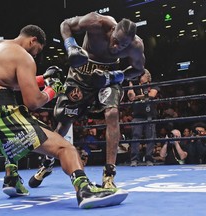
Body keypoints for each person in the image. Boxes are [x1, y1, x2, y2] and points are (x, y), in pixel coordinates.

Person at [0, 24, 127, 209]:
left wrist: (43, 78)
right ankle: (84, 189)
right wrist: (51, 90)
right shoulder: (24, 56)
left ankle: (11, 177)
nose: (37, 55)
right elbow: (33, 102)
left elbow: (8, 80)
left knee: (13, 139)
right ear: (33, 40)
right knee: (65, 148)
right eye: (38, 50)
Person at [29, 12, 145, 190]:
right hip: (79, 77)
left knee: (112, 112)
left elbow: (138, 70)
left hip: (106, 79)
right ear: (113, 29)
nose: (116, 47)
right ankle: (48, 162)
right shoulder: (96, 22)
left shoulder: (136, 46)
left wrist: (115, 76)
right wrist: (71, 47)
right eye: (115, 40)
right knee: (64, 121)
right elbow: (65, 24)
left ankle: (109, 175)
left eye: (122, 45)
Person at [127, 69, 160, 166]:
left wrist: (138, 97)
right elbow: (131, 96)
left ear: (147, 76)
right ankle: (134, 159)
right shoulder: (136, 86)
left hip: (150, 115)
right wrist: (130, 83)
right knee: (135, 137)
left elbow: (151, 95)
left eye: (142, 75)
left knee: (150, 137)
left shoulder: (153, 85)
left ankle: (149, 159)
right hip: (137, 115)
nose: (140, 77)